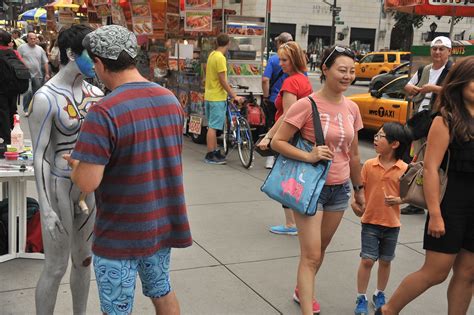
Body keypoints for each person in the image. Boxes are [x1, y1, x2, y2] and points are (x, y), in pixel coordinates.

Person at [64, 25, 193, 314]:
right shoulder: (170, 100)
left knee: (117, 309)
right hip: (160, 224)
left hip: (120, 233)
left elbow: (87, 182)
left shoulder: (104, 111)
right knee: (162, 291)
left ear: (98, 63)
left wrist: (76, 164)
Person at [376, 56, 474, 315]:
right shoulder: (446, 119)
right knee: (435, 272)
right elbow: (430, 169)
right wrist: (436, 215)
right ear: (461, 83)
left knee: (468, 273)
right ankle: (388, 310)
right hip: (450, 203)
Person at [270, 46, 365, 315]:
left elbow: (354, 154)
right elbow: (277, 142)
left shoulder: (352, 108)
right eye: (342, 70)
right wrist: (309, 155)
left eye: (352, 71)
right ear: (325, 70)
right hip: (310, 189)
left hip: (339, 190)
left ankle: (303, 290)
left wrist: (359, 190)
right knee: (310, 255)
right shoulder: (306, 104)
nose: (347, 76)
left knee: (320, 251)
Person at [27, 24, 103, 315]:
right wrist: (45, 207)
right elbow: (40, 156)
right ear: (72, 53)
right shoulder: (46, 98)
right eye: (91, 54)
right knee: (56, 266)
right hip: (58, 187)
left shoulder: (95, 93)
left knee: (85, 260)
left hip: (88, 188)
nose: (97, 61)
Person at [351, 122, 410, 315]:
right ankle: (361, 297)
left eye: (380, 136)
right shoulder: (369, 165)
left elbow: (410, 195)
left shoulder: (404, 168)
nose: (375, 139)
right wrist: (356, 204)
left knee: (385, 261)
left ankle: (379, 293)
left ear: (394, 144)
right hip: (370, 222)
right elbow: (360, 190)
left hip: (392, 224)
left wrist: (400, 200)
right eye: (375, 136)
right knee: (367, 260)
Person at [258, 41, 313, 236]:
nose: (280, 63)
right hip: (301, 136)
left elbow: (288, 115)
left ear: (294, 60)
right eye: (280, 59)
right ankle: (297, 221)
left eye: (284, 60)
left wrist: (270, 137)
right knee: (295, 178)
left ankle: (291, 224)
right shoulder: (303, 79)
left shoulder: (291, 82)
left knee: (286, 180)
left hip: (289, 138)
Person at [402, 36, 453, 215]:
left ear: (449, 51)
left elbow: (457, 91)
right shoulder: (425, 69)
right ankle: (418, 198)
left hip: (438, 120)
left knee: (434, 162)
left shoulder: (452, 71)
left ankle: (433, 199)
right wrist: (411, 89)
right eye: (435, 48)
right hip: (421, 120)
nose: (437, 52)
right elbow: (408, 85)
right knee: (420, 159)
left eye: (441, 49)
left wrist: (434, 89)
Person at [204, 33, 243, 164]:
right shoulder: (220, 58)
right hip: (217, 97)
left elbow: (215, 77)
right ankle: (210, 154)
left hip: (209, 95)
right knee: (213, 127)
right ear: (228, 44)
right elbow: (222, 80)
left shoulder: (212, 55)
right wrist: (234, 95)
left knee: (212, 125)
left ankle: (215, 152)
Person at [262, 32, 293, 169]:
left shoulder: (274, 59)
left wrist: (266, 96)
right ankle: (284, 158)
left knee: (272, 126)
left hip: (276, 99)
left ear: (280, 43)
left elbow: (265, 79)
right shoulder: (298, 60)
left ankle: (270, 157)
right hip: (294, 101)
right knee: (289, 129)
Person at [0, 29, 22, 147]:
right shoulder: (14, 53)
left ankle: (7, 138)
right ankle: (15, 134)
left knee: (3, 112)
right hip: (13, 89)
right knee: (12, 111)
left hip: (2, 90)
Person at [18, 32, 50, 112]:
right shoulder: (21, 48)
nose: (33, 40)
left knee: (37, 93)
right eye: (31, 38)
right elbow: (18, 59)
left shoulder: (40, 49)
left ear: (36, 39)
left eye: (34, 39)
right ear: (27, 39)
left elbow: (45, 61)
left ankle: (35, 108)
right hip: (26, 74)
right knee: (28, 91)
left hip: (37, 74)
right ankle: (26, 109)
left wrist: (47, 73)